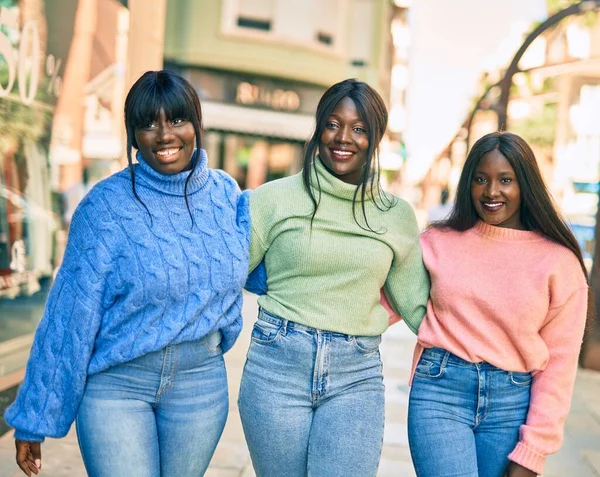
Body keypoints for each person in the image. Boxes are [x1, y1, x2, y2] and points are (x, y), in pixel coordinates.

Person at [4, 70, 250, 477]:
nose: (164, 134)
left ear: (196, 126)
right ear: (133, 136)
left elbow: (261, 268)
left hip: (199, 385)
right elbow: (69, 318)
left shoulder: (226, 195)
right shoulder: (105, 207)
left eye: (176, 120)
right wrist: (35, 415)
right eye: (148, 124)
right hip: (118, 387)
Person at [240, 78, 430, 477]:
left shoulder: (394, 215)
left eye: (359, 128)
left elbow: (419, 305)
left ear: (375, 138)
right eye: (333, 123)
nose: (344, 137)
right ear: (318, 128)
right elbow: (224, 275)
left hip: (355, 376)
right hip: (277, 366)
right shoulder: (273, 199)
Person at [404, 131, 590, 477]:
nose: (491, 192)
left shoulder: (559, 264)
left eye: (506, 180)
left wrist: (534, 449)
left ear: (526, 185)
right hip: (440, 393)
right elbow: (379, 296)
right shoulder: (437, 242)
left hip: (512, 406)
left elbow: (559, 366)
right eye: (480, 179)